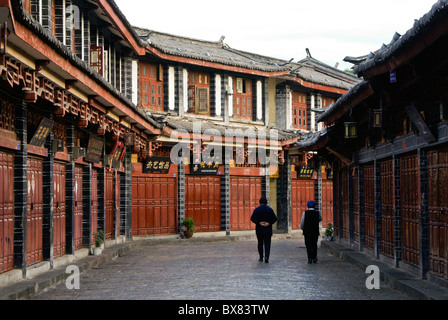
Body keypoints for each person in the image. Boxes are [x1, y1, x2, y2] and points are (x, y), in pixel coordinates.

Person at [250, 197, 278, 263]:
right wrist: (269, 223)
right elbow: (275, 218)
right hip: (268, 229)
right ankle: (266, 257)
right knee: (267, 244)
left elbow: (252, 218)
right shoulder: (270, 209)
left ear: (260, 202)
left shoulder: (257, 209)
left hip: (259, 229)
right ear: (266, 202)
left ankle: (261, 257)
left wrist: (259, 222)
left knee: (260, 243)